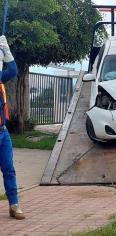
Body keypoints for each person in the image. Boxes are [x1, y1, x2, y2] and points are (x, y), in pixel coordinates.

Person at [0, 35, 25, 220]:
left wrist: (6, 51)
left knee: (9, 169)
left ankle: (14, 205)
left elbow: (13, 70)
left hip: (3, 133)